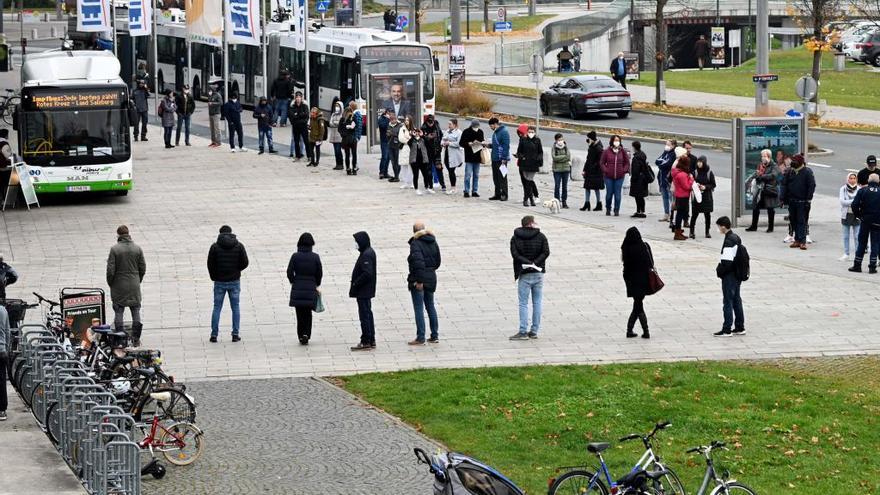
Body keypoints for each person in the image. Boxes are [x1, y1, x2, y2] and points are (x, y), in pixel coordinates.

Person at [510, 215, 550, 340]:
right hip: (538, 273)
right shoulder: (541, 236)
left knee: (523, 303)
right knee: (537, 302)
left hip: (524, 272)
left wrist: (526, 263)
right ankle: (534, 331)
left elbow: (515, 254)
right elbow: (546, 252)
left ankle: (522, 331)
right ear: (532, 223)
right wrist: (535, 263)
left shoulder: (515, 238)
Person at [207, 225, 249, 343]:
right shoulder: (239, 246)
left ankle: (214, 335)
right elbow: (245, 262)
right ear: (231, 233)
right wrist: (237, 270)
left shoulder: (214, 247)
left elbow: (210, 264)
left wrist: (214, 276)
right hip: (234, 281)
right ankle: (235, 334)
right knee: (235, 307)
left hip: (219, 281)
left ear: (220, 234)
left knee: (217, 307)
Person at [106, 225, 146, 346]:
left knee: (119, 311)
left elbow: (110, 271)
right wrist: (137, 280)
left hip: (119, 285)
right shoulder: (137, 249)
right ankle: (136, 338)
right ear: (129, 234)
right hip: (134, 284)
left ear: (118, 235)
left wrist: (111, 283)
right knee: (136, 310)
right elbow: (143, 267)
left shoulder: (114, 249)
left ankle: (119, 338)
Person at [407, 221, 442, 345]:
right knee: (431, 306)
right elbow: (438, 261)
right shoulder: (433, 241)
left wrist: (419, 281)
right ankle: (434, 335)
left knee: (419, 308)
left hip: (419, 280)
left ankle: (420, 337)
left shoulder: (415, 243)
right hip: (431, 277)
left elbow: (418, 263)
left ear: (414, 231)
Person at [287, 233, 323, 345]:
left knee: (299, 313)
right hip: (310, 287)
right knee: (308, 312)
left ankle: (300, 334)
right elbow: (319, 272)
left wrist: (293, 281)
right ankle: (306, 334)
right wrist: (316, 283)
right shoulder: (315, 257)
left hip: (298, 286)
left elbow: (289, 271)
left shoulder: (295, 256)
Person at [714, 216, 746, 336]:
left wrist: (719, 271)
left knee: (728, 301)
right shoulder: (736, 237)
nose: (718, 229)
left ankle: (727, 328)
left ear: (723, 226)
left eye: (718, 226)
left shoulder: (728, 241)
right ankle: (739, 326)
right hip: (737, 274)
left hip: (730, 275)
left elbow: (726, 262)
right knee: (737, 299)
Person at [621, 227, 650, 339]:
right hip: (643, 280)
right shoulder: (643, 247)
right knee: (638, 305)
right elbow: (649, 263)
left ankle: (631, 330)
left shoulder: (626, 248)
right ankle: (644, 331)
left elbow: (626, 267)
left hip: (632, 281)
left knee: (637, 305)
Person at [781, 154, 815, 250]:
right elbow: (784, 184)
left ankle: (802, 241)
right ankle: (796, 240)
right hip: (792, 200)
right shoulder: (790, 172)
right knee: (793, 220)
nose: (792, 163)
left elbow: (811, 186)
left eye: (794, 161)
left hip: (803, 201)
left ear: (800, 162)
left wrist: (808, 199)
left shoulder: (807, 172)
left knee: (802, 221)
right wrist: (782, 198)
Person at [349, 231, 377, 351]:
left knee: (364, 315)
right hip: (366, 290)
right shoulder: (367, 252)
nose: (356, 244)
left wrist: (356, 282)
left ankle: (366, 340)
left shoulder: (366, 254)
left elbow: (367, 273)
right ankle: (371, 339)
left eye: (357, 241)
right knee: (368, 314)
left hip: (364, 291)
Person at [849, 173, 880, 274]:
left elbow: (854, 205)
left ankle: (857, 265)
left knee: (862, 242)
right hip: (877, 221)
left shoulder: (863, 191)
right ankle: (872, 267)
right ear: (878, 182)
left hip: (865, 220)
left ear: (868, 181)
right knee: (875, 243)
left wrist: (859, 215)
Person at [745, 149, 779, 232]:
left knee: (770, 209)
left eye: (764, 156)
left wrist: (762, 176)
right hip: (760, 189)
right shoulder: (760, 165)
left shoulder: (774, 165)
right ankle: (754, 226)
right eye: (762, 156)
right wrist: (755, 177)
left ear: (769, 157)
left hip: (768, 189)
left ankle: (770, 227)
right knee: (755, 207)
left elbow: (773, 175)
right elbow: (757, 173)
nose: (763, 158)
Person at [600, 134, 630, 216]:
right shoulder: (606, 151)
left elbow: (627, 163)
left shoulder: (623, 151)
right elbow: (602, 163)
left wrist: (623, 170)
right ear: (612, 141)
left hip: (620, 177)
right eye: (615, 140)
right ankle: (608, 208)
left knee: (617, 194)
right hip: (608, 177)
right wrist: (606, 170)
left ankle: (616, 210)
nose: (617, 142)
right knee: (609, 194)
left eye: (618, 140)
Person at [516, 125, 543, 207]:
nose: (531, 133)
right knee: (527, 181)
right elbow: (519, 152)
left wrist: (537, 159)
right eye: (529, 132)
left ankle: (526, 199)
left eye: (532, 132)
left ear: (534, 133)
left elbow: (540, 152)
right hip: (524, 163)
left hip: (533, 164)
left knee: (529, 181)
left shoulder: (538, 140)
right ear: (527, 132)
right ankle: (531, 199)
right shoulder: (523, 140)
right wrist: (522, 157)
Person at [690, 156, 717, 239]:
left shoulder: (709, 172)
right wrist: (696, 185)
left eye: (701, 162)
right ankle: (691, 232)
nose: (699, 164)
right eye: (698, 162)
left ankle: (707, 232)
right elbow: (691, 182)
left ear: (704, 162)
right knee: (694, 214)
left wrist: (705, 187)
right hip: (697, 196)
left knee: (707, 215)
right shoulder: (695, 172)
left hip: (706, 196)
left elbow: (713, 184)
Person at [671, 155, 694, 240]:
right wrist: (691, 179)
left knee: (679, 214)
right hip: (683, 196)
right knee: (680, 215)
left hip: (678, 195)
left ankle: (678, 231)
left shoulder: (676, 172)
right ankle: (677, 233)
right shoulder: (682, 175)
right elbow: (687, 186)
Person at [460, 119, 484, 198]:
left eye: (477, 127)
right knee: (468, 175)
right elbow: (461, 143)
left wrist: (482, 143)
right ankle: (466, 191)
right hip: (469, 156)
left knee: (476, 175)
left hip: (477, 156)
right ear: (472, 126)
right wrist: (468, 144)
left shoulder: (480, 132)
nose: (476, 128)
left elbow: (482, 141)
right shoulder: (466, 131)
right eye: (475, 127)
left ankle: (475, 191)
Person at [840, 172, 861, 262]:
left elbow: (861, 202)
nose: (852, 180)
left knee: (857, 236)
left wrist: (849, 202)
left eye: (854, 178)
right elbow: (842, 202)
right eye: (851, 178)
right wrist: (854, 201)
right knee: (846, 236)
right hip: (846, 215)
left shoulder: (859, 189)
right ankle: (846, 253)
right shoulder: (843, 189)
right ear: (847, 179)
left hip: (856, 215)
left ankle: (858, 254)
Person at [581, 131, 604, 211]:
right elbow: (588, 159)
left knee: (596, 188)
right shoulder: (591, 147)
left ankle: (599, 204)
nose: (587, 140)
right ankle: (587, 203)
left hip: (596, 172)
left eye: (588, 139)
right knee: (587, 187)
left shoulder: (598, 148)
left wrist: (592, 168)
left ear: (592, 139)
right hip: (589, 171)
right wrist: (584, 169)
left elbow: (600, 161)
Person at [654, 139, 676, 221]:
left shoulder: (673, 154)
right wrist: (661, 163)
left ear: (673, 146)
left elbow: (668, 164)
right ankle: (666, 214)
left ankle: (672, 215)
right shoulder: (665, 153)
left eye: (668, 144)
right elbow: (657, 161)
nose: (666, 146)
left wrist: (661, 164)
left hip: (668, 180)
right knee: (664, 198)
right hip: (662, 179)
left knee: (671, 198)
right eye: (666, 144)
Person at [488, 117, 510, 201]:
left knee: (502, 177)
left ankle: (504, 194)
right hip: (494, 158)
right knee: (496, 177)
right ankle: (497, 194)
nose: (491, 128)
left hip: (501, 159)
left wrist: (504, 158)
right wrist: (488, 145)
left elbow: (506, 146)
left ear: (495, 124)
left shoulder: (504, 132)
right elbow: (496, 145)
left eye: (491, 126)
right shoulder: (495, 132)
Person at [421, 114, 444, 189]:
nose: (430, 124)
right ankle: (429, 185)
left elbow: (441, 134)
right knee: (428, 169)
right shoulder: (423, 127)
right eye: (429, 122)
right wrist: (428, 137)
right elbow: (420, 139)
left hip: (436, 151)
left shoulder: (437, 125)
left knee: (439, 168)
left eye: (432, 122)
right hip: (427, 152)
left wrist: (440, 142)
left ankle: (442, 185)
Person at [628, 141, 650, 218]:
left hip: (638, 180)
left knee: (638, 196)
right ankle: (640, 211)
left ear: (634, 147)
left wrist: (632, 179)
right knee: (640, 196)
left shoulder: (636, 158)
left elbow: (635, 171)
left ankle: (640, 211)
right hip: (643, 179)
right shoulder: (642, 155)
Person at [441, 118, 463, 194]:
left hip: (454, 155)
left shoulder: (459, 132)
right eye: (448, 124)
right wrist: (442, 143)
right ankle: (453, 187)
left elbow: (459, 143)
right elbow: (443, 139)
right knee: (449, 170)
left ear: (455, 125)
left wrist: (449, 143)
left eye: (450, 124)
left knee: (451, 171)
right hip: (447, 153)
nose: (448, 126)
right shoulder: (446, 131)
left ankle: (453, 188)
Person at [409, 127, 433, 195]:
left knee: (425, 175)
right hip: (414, 160)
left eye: (418, 132)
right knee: (416, 175)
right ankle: (416, 189)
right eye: (415, 132)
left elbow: (429, 144)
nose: (417, 133)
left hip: (423, 160)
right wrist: (412, 136)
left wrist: (423, 135)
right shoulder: (412, 140)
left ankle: (427, 188)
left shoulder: (423, 139)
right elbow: (409, 143)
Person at [339, 101, 361, 174]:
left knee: (347, 154)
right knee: (353, 154)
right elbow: (357, 127)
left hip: (346, 139)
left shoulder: (343, 119)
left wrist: (344, 134)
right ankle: (354, 168)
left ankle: (348, 169)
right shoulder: (352, 118)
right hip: (352, 138)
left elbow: (340, 129)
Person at [551, 133, 571, 209]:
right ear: (556, 140)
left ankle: (564, 201)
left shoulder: (566, 147)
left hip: (566, 169)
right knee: (557, 186)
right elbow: (554, 158)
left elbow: (568, 156)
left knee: (564, 186)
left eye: (562, 139)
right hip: (557, 170)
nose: (561, 141)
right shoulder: (554, 148)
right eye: (559, 140)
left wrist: (560, 159)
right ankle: (557, 201)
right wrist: (563, 158)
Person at [289, 91, 310, 161]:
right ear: (295, 98)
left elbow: (306, 116)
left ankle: (309, 156)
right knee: (296, 141)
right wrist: (300, 115)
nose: (298, 99)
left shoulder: (304, 106)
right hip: (295, 126)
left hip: (303, 126)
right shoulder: (292, 106)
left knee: (306, 141)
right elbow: (291, 117)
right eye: (297, 97)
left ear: (301, 98)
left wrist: (297, 115)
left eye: (299, 97)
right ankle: (297, 156)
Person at [328, 97, 345, 170]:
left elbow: (340, 124)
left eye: (338, 106)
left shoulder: (342, 115)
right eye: (336, 106)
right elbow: (330, 123)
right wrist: (335, 123)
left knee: (338, 150)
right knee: (335, 151)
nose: (336, 108)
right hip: (333, 136)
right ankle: (337, 164)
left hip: (339, 136)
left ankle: (340, 164)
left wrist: (335, 123)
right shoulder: (333, 114)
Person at [397, 116, 414, 189]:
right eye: (405, 120)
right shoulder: (402, 129)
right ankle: (405, 183)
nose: (406, 121)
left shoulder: (414, 129)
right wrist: (408, 139)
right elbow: (401, 138)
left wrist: (408, 138)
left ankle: (412, 182)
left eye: (408, 120)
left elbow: (415, 138)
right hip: (404, 149)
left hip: (412, 149)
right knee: (404, 166)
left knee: (412, 167)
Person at [0, 303, 9, 421]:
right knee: (1, 380)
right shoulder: (2, 310)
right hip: (1, 350)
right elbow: (7, 331)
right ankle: (2, 410)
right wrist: (6, 348)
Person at [377, 108, 391, 179]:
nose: (390, 114)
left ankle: (385, 172)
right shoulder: (381, 118)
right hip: (384, 140)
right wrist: (388, 120)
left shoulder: (391, 118)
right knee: (384, 156)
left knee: (388, 157)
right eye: (389, 112)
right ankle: (381, 172)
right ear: (386, 112)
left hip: (390, 141)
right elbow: (382, 126)